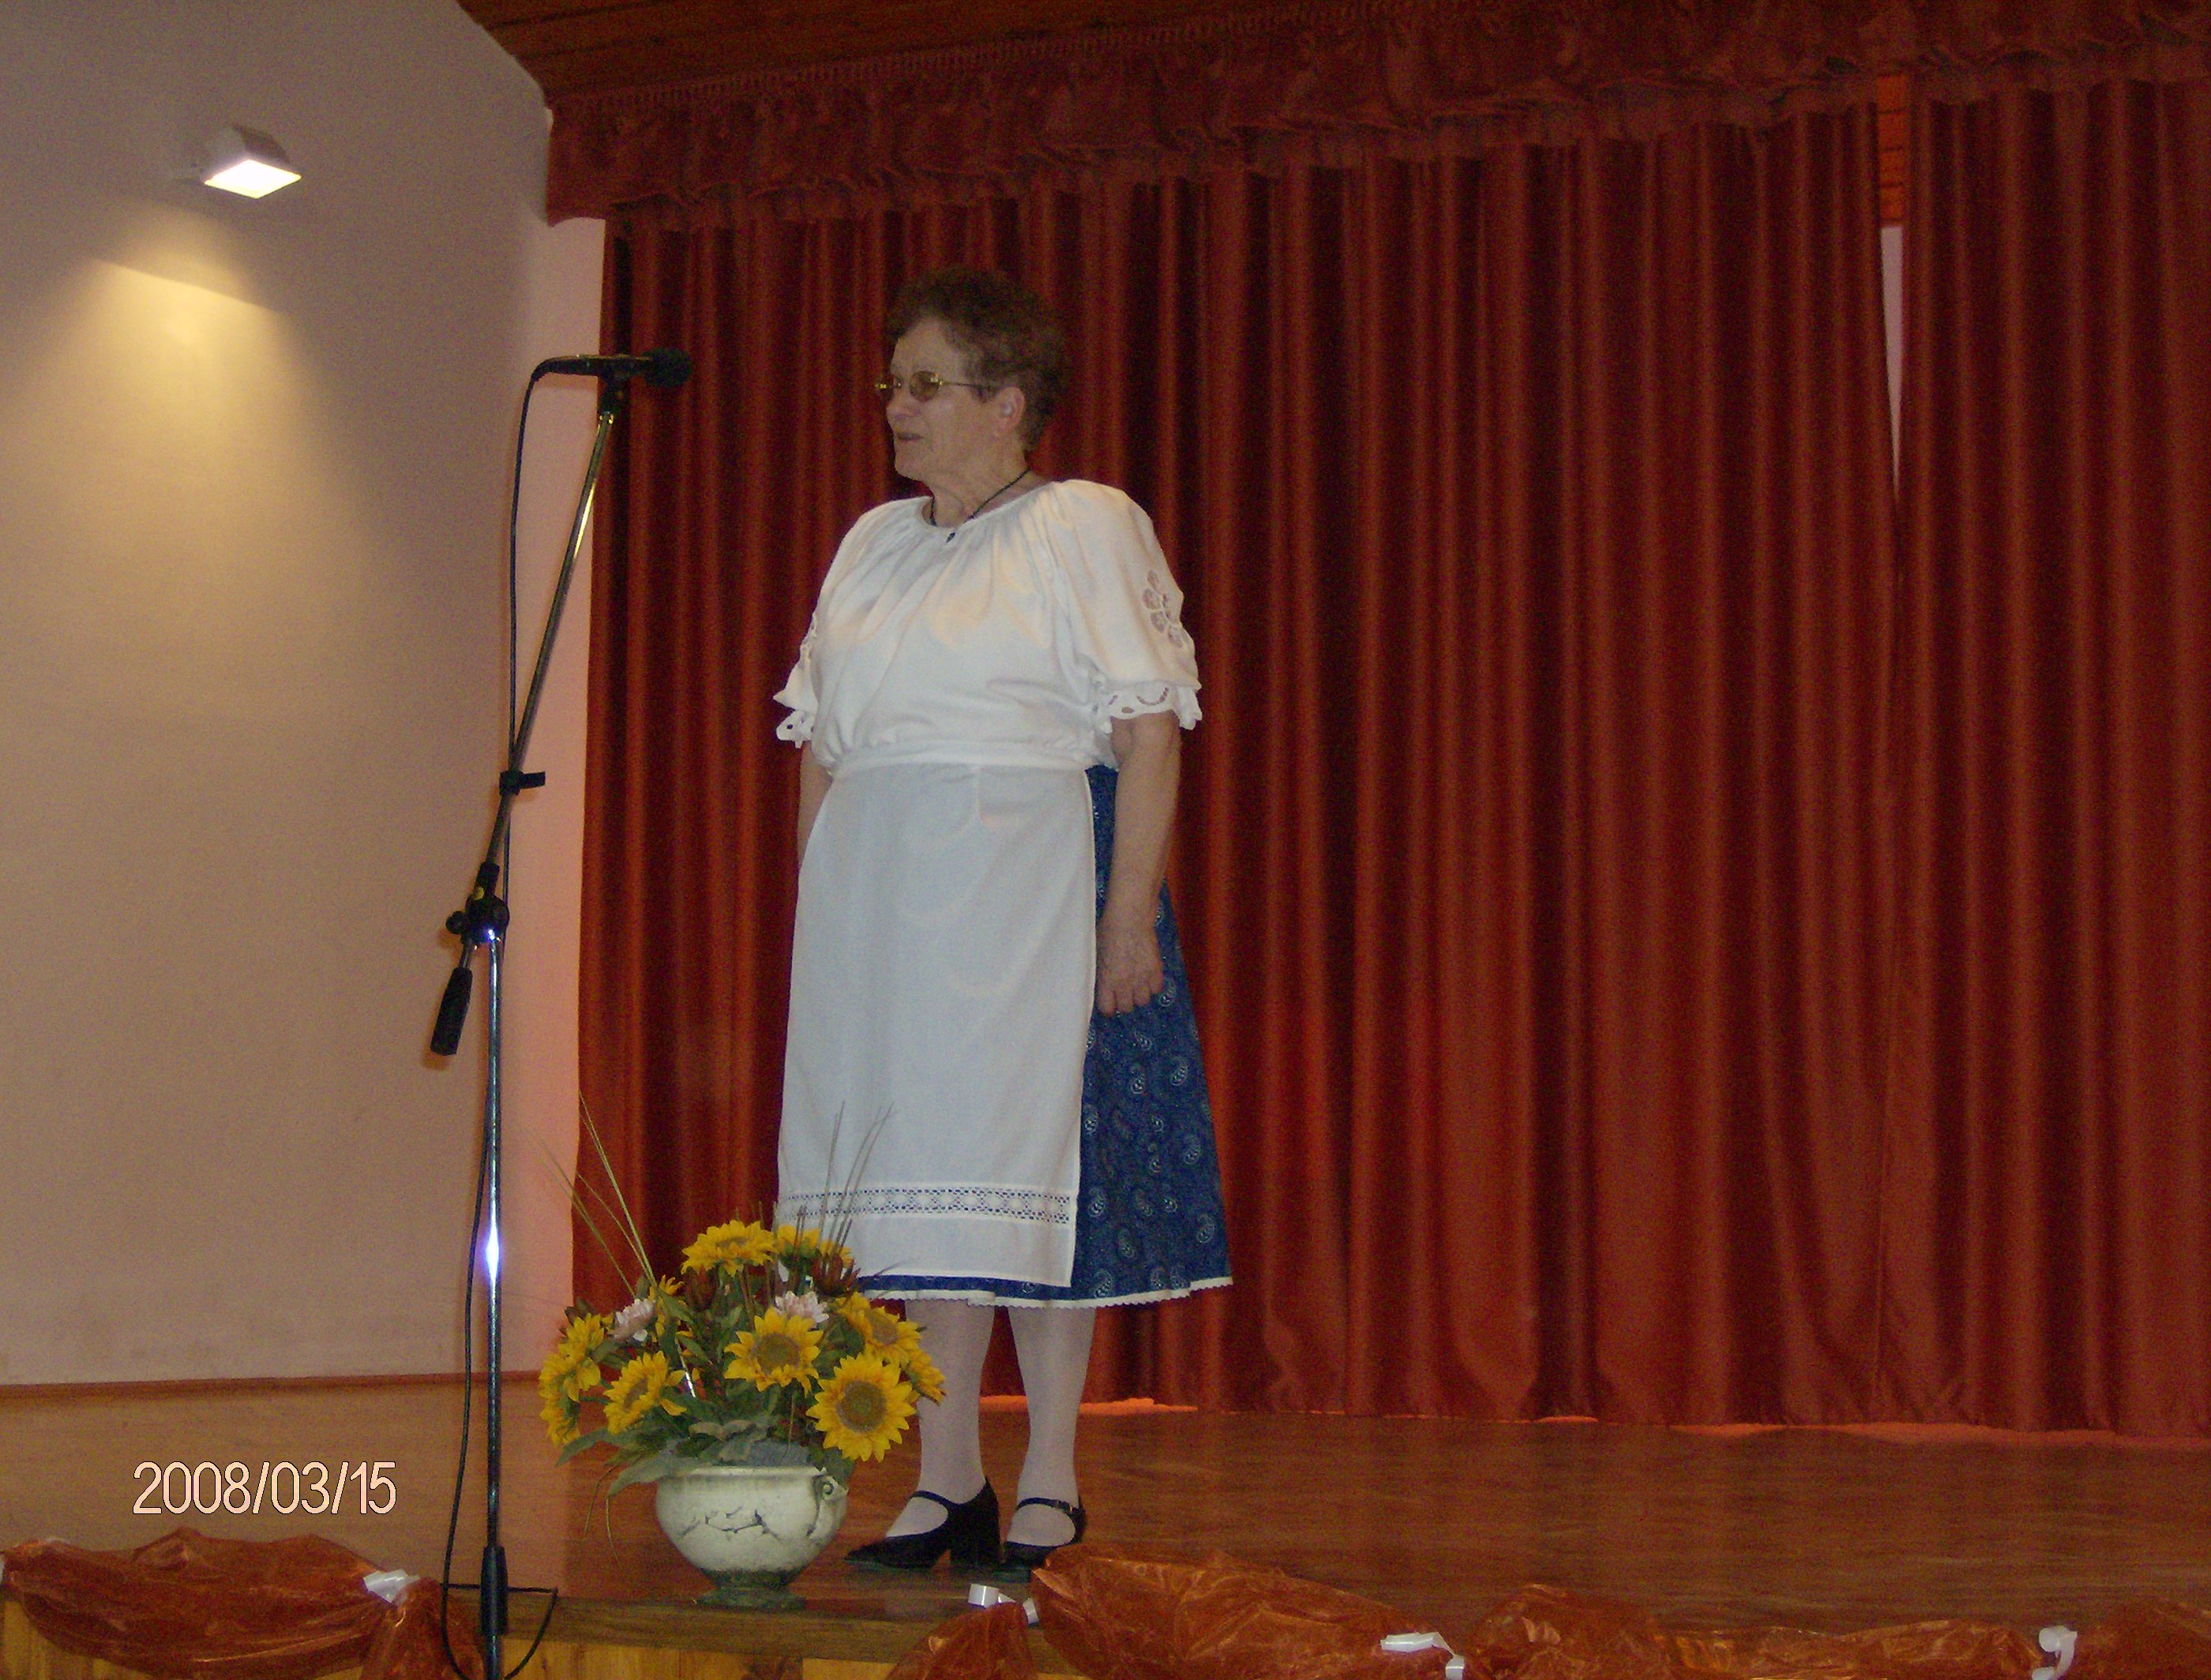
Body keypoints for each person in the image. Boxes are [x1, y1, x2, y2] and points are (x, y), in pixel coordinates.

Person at [773, 268, 1230, 1576]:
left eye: (925, 385)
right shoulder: (872, 543)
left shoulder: (1083, 525)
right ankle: (946, 1478)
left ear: (1009, 401)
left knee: (1032, 1178)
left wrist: (1125, 919)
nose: (895, 407)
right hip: (879, 914)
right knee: (917, 1191)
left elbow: (1149, 735)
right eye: (893, 383)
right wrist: (824, 909)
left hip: (1022, 895)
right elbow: (824, 744)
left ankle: (1052, 1481)